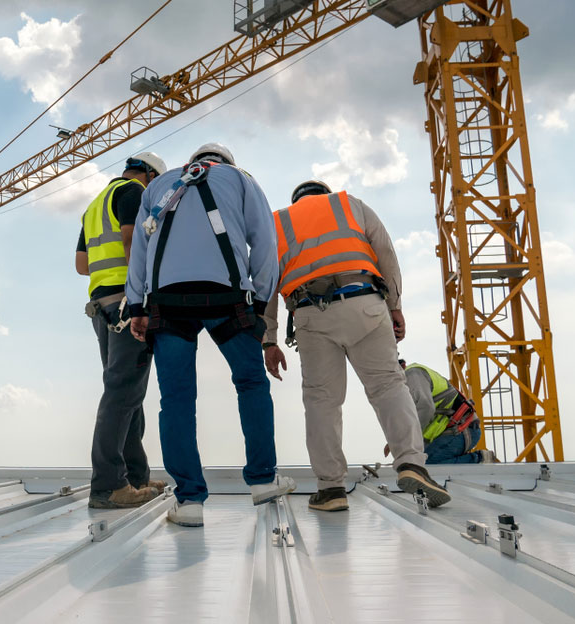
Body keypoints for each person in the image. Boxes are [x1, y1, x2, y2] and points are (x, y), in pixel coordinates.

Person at [126, 142, 295, 528]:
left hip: (168, 303)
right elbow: (266, 242)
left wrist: (137, 306)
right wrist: (261, 298)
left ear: (194, 160)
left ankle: (189, 501)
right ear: (225, 163)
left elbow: (140, 246)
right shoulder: (241, 180)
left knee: (177, 400)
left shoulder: (160, 186)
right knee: (251, 383)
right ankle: (262, 480)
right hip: (228, 299)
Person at [263, 179, 451, 512]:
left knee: (322, 401)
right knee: (389, 386)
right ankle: (411, 464)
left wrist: (269, 340)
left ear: (296, 201)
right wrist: (395, 305)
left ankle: (331, 488)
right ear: (325, 194)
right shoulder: (351, 205)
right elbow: (386, 253)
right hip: (363, 301)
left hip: (310, 312)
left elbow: (265, 283)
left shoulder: (279, 222)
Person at [76, 152, 169, 509]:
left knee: (126, 392)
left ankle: (135, 478)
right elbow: (133, 245)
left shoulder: (95, 204)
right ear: (148, 175)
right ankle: (108, 485)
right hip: (126, 305)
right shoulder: (132, 192)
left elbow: (82, 265)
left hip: (102, 306)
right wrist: (139, 299)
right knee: (121, 393)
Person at [393, 358, 497, 464]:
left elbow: (426, 408)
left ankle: (479, 459)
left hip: (463, 430)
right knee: (413, 462)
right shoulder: (403, 388)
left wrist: (407, 439)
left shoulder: (412, 374)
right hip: (448, 431)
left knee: (426, 463)